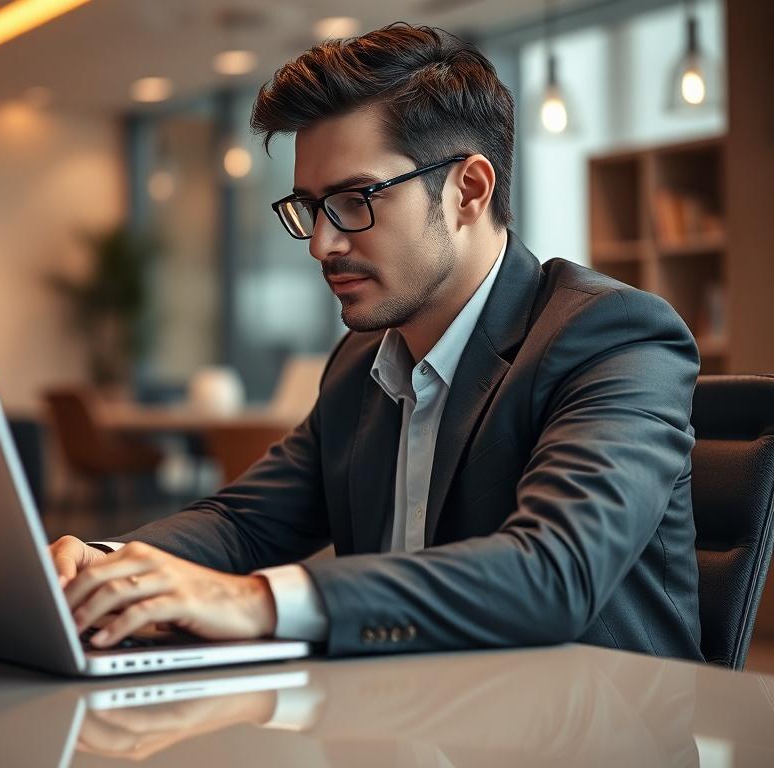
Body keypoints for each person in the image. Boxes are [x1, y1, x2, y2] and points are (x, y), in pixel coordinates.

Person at [50, 24, 702, 661]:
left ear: (467, 191)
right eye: (310, 206)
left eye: (356, 199)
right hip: (397, 724)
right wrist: (110, 566)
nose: (321, 243)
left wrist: (256, 603)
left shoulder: (611, 336)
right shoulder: (363, 363)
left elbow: (554, 573)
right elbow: (246, 522)